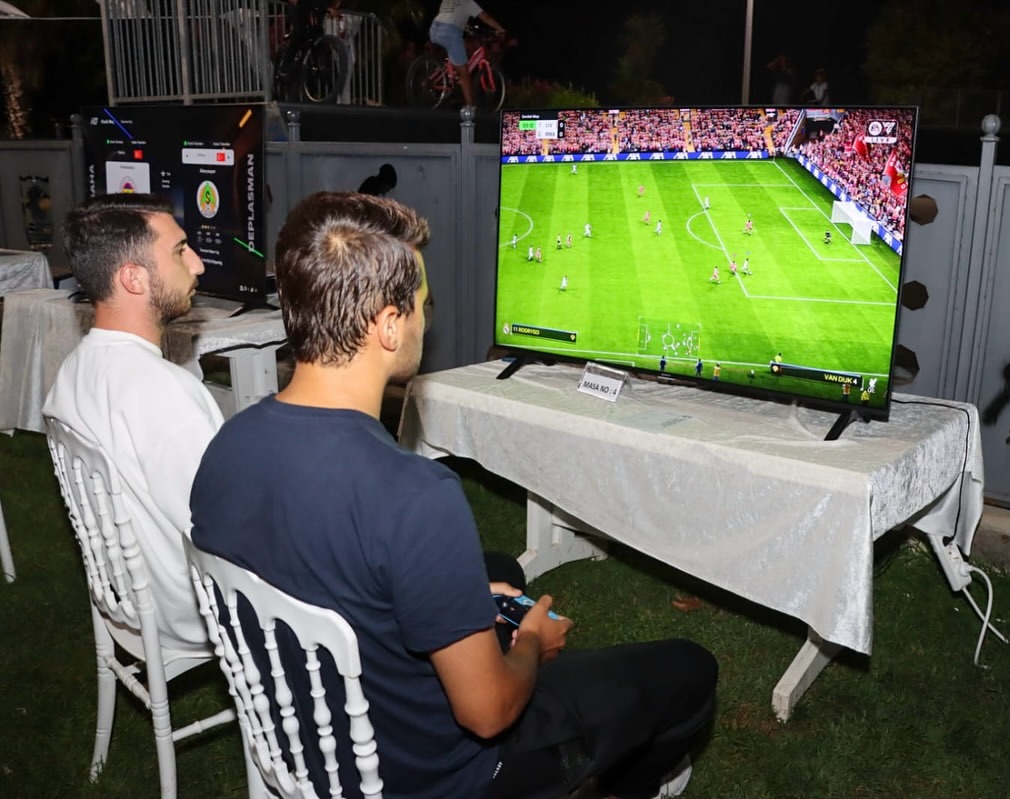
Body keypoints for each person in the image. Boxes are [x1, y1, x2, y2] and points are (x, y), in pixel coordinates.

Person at [190, 192, 718, 799]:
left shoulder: (226, 445)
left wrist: (457, 599)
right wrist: (531, 644)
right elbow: (488, 713)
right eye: (424, 304)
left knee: (496, 571)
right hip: (439, 777)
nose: (426, 320)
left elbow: (320, 564)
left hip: (305, 736)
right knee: (689, 670)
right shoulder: (415, 496)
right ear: (390, 325)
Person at [42, 193, 222, 652]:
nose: (198, 265)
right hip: (190, 612)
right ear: (133, 278)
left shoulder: (74, 368)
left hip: (128, 597)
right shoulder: (165, 392)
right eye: (180, 251)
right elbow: (224, 529)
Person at [429, 0, 506, 111]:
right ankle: (471, 107)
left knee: (461, 46)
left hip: (434, 29)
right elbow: (486, 17)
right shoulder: (468, 2)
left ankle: (447, 74)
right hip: (449, 32)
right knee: (464, 74)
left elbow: (449, 15)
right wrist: (500, 29)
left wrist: (464, 26)